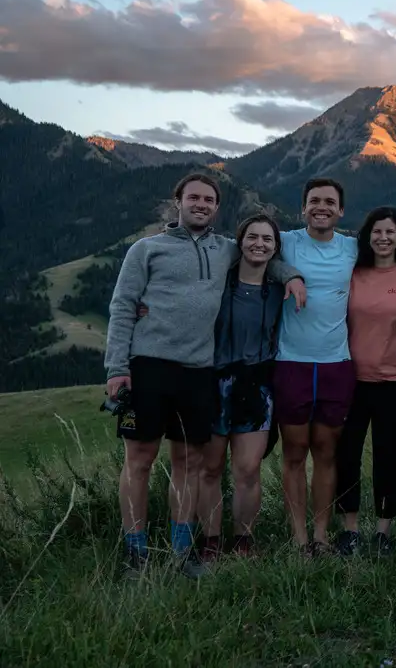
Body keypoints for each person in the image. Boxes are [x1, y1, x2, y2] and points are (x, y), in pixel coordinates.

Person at [105, 173, 304, 577]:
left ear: (217, 207)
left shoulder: (225, 249)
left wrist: (292, 277)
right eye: (193, 197)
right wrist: (117, 369)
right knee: (139, 460)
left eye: (209, 199)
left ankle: (182, 552)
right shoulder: (146, 250)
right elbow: (123, 307)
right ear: (177, 201)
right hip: (148, 367)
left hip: (199, 372)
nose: (201, 204)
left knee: (190, 463)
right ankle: (135, 553)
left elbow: (264, 254)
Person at [273, 177, 360, 555]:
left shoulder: (353, 247)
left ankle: (322, 535)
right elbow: (248, 253)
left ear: (341, 210)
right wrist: (288, 274)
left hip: (336, 365)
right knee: (294, 452)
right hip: (290, 363)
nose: (321, 207)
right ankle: (299, 537)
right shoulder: (286, 242)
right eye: (313, 201)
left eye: (329, 202)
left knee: (326, 450)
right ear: (303, 208)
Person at [196, 214, 289, 562]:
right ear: (240, 241)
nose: (259, 244)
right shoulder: (218, 282)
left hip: (258, 385)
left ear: (275, 248)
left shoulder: (280, 288)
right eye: (252, 237)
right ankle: (210, 541)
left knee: (248, 469)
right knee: (210, 468)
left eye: (267, 239)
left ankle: (244, 540)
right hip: (213, 382)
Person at [333, 207, 396, 556]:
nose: (383, 238)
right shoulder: (353, 274)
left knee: (391, 456)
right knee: (347, 455)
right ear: (367, 237)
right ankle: (349, 530)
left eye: (390, 232)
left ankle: (384, 532)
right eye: (377, 232)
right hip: (350, 379)